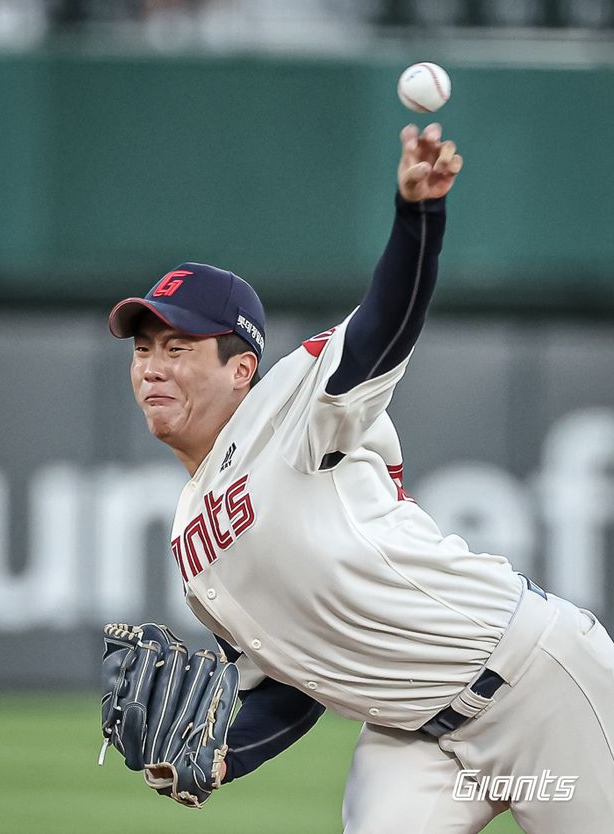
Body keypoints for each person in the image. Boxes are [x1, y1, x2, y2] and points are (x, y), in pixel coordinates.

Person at [108, 123, 614, 834]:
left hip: (537, 683)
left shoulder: (292, 407)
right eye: (143, 349)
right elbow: (293, 684)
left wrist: (418, 217)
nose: (152, 367)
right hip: (413, 739)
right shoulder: (192, 542)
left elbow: (383, 325)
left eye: (178, 346)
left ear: (241, 367)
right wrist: (219, 756)